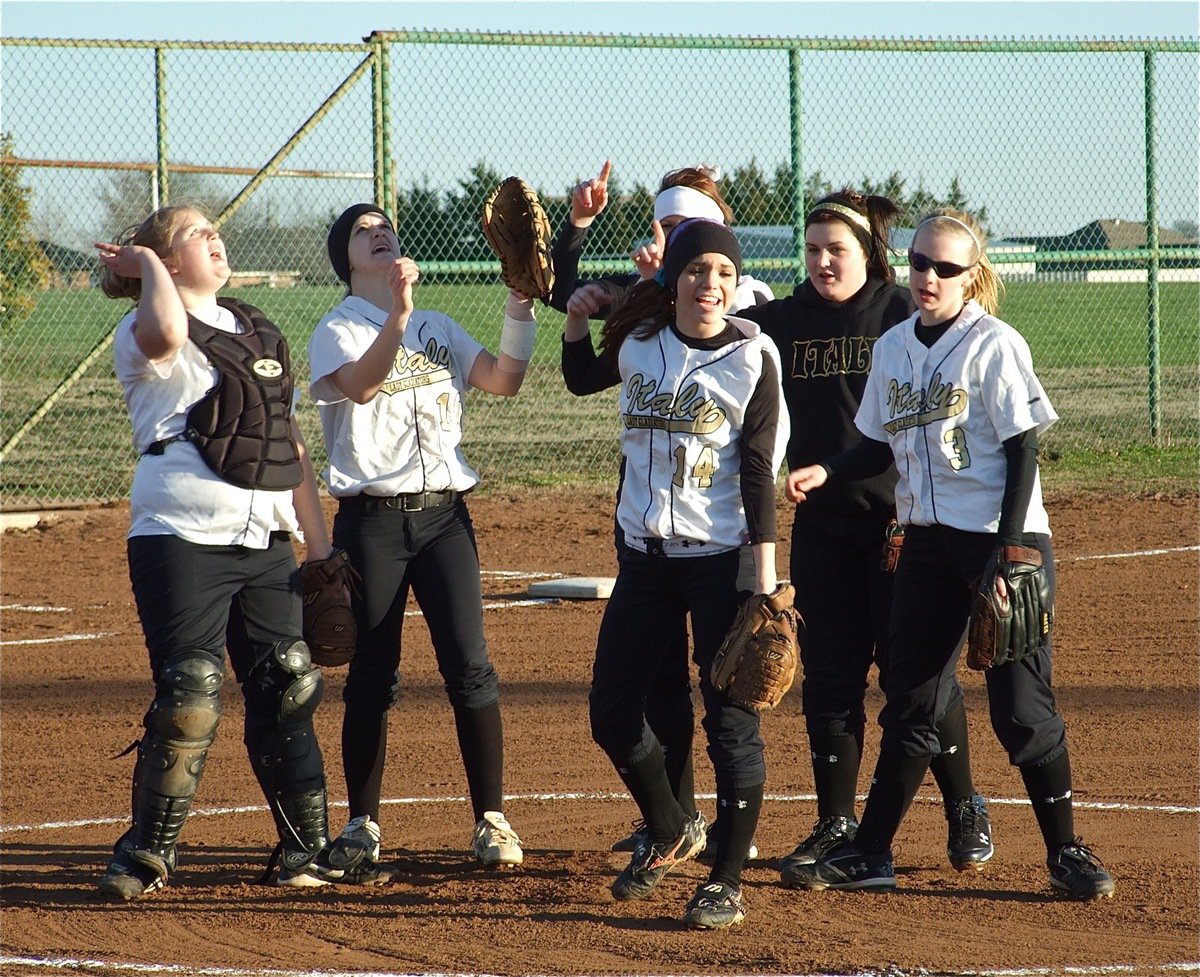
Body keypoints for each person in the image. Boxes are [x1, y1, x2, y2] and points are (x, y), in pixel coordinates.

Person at [782, 209, 1116, 901]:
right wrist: (829, 469)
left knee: (1019, 709)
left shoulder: (994, 344)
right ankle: (872, 851)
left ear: (972, 277)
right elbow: (876, 443)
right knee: (911, 702)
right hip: (927, 541)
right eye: (918, 264)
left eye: (945, 267)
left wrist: (1010, 547)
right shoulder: (895, 346)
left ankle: (1067, 852)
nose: (928, 276)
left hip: (1003, 540)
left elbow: (1024, 444)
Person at [94, 205, 360, 899]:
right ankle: (146, 853)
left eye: (213, 227)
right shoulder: (142, 330)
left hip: (265, 537)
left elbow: (286, 443)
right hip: (179, 535)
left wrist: (319, 544)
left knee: (288, 684)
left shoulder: (258, 329)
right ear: (165, 260)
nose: (213, 236)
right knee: (191, 695)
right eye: (191, 234)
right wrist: (147, 265)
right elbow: (170, 327)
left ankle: (306, 850)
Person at [734, 190, 994, 884]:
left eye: (836, 249)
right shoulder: (782, 322)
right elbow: (696, 313)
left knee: (916, 677)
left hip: (900, 527)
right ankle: (837, 819)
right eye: (813, 249)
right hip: (822, 527)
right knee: (831, 680)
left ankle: (965, 805)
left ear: (867, 254)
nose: (822, 260)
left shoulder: (898, 310)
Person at [566, 218, 788, 930]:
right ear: (675, 279)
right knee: (611, 711)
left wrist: (766, 579)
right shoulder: (640, 344)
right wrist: (574, 319)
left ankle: (725, 879)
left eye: (724, 273)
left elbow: (757, 470)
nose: (711, 285)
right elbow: (577, 379)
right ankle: (670, 825)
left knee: (731, 721)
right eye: (697, 271)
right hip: (646, 560)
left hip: (720, 560)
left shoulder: (754, 356)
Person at [307, 203, 532, 877]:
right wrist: (398, 315)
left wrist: (520, 303)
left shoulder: (440, 327)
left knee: (470, 665)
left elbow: (506, 379)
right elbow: (364, 384)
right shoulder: (338, 330)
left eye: (385, 226)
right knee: (373, 675)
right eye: (362, 230)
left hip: (443, 520)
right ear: (345, 258)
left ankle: (491, 818)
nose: (380, 232)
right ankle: (362, 823)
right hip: (372, 523)